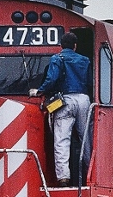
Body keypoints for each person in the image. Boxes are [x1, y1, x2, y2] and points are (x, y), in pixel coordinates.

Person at [31, 31, 92, 186]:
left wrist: (39, 91)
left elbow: (51, 79)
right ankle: (90, 174)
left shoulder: (57, 59)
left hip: (65, 100)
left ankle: (63, 178)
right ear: (75, 46)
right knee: (85, 139)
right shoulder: (85, 60)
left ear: (61, 45)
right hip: (84, 99)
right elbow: (91, 81)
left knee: (62, 140)